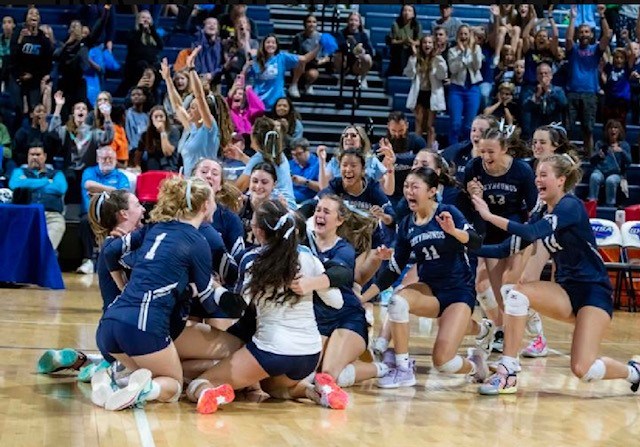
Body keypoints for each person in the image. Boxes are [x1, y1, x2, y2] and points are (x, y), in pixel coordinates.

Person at [471, 153, 640, 395]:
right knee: (516, 294)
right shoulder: (542, 212)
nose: (537, 180)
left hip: (594, 293)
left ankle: (634, 371)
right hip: (566, 291)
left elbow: (532, 232)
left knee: (584, 369)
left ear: (561, 180)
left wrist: (488, 216)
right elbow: (504, 248)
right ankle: (508, 371)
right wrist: (465, 244)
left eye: (543, 175)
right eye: (536, 175)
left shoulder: (570, 206)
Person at [92, 177, 246, 411]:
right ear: (205, 205)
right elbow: (209, 302)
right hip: (145, 326)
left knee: (165, 364)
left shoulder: (154, 227)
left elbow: (111, 252)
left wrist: (124, 286)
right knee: (173, 385)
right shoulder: (198, 240)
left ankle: (116, 378)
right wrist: (239, 304)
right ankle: (144, 389)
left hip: (110, 324)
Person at [185, 199, 349, 414]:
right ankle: (318, 390)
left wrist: (213, 286)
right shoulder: (309, 256)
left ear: (259, 231)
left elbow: (237, 308)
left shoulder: (253, 259)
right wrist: (312, 283)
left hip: (273, 349)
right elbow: (336, 303)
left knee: (198, 384)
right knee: (273, 388)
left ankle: (208, 392)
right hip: (309, 352)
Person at [360, 167, 491, 388]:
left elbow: (476, 242)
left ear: (431, 191)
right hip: (430, 290)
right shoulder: (406, 225)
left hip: (459, 292)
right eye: (406, 186)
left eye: (415, 187)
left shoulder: (447, 212)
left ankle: (477, 364)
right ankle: (403, 369)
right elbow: (392, 269)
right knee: (398, 300)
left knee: (443, 362)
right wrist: (363, 298)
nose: (409, 191)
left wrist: (453, 232)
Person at [36, 189, 145, 380]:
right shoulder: (122, 247)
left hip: (108, 332)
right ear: (123, 214)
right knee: (172, 370)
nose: (143, 209)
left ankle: (84, 361)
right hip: (127, 334)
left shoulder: (114, 243)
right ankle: (103, 372)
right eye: (137, 205)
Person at [302, 194, 390, 388]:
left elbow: (340, 274)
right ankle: (352, 362)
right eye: (318, 210)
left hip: (346, 317)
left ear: (339, 220)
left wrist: (309, 283)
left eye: (326, 212)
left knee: (327, 375)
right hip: (319, 320)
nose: (320, 215)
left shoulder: (344, 249)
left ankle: (382, 368)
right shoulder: (304, 243)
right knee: (306, 373)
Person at [160, 49, 221, 178]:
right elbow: (177, 105)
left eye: (193, 108)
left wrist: (192, 69)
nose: (188, 110)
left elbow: (199, 96)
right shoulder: (190, 128)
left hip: (206, 184)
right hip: (190, 184)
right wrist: (168, 80)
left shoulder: (209, 128)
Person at [566, 5, 611, 156]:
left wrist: (602, 16)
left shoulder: (596, 50)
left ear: (591, 34)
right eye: (581, 32)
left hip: (590, 93)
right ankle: (566, 157)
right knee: (568, 128)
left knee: (588, 129)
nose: (584, 34)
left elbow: (607, 36)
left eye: (587, 31)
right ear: (578, 34)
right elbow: (567, 38)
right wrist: (572, 18)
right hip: (572, 92)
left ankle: (589, 157)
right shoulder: (573, 50)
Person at [77, 146, 130, 274]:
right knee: (84, 222)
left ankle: (117, 262)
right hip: (91, 213)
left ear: (116, 159)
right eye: (104, 158)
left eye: (110, 158)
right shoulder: (89, 171)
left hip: (113, 214)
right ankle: (88, 260)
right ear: (97, 159)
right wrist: (113, 190)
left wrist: (99, 189)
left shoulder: (120, 175)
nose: (107, 161)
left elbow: (124, 193)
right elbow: (88, 185)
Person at [9, 144, 67, 250]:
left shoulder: (56, 173)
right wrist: (45, 181)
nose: (34, 157)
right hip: (25, 215)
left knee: (45, 248)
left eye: (38, 154)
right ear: (27, 156)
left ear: (44, 156)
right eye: (32, 154)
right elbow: (15, 184)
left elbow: (60, 188)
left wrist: (27, 184)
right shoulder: (19, 171)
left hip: (52, 217)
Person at [234, 116, 297, 209]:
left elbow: (237, 189)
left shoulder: (258, 158)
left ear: (255, 137)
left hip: (275, 208)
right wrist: (242, 157)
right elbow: (263, 167)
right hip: (291, 207)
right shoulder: (279, 155)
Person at [191, 158, 245, 259]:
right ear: (192, 178)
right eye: (204, 171)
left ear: (220, 185)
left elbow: (238, 259)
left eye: (215, 174)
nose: (208, 176)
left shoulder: (230, 219)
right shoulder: (178, 211)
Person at [318, 125, 393, 196]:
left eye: (353, 135)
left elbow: (388, 191)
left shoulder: (372, 160)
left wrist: (390, 167)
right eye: (345, 135)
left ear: (361, 142)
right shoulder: (335, 161)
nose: (348, 138)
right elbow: (323, 187)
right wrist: (322, 161)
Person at [404, 34, 448, 148]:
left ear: (433, 45)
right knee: (418, 123)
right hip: (420, 93)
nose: (427, 45)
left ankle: (430, 150)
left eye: (429, 42)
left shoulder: (437, 59)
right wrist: (413, 57)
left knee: (430, 125)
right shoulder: (416, 59)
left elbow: (442, 75)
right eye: (424, 42)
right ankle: (417, 149)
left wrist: (439, 58)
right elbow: (409, 73)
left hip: (432, 94)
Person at [447, 25, 484, 145]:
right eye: (461, 34)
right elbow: (453, 69)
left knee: (469, 124)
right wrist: (462, 53)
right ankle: (453, 148)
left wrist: (470, 51)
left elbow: (477, 66)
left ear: (470, 36)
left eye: (466, 34)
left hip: (472, 89)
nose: (463, 37)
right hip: (456, 89)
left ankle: (466, 148)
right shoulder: (452, 51)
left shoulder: (476, 49)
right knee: (455, 123)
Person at [588, 119, 632, 206]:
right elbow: (592, 161)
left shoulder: (624, 145)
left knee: (610, 180)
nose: (613, 130)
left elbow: (629, 162)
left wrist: (621, 151)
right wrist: (598, 156)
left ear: (619, 131)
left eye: (616, 128)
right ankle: (592, 202)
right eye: (611, 128)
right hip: (600, 171)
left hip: (616, 173)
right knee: (594, 177)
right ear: (607, 131)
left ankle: (610, 205)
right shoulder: (600, 144)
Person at [520, 63, 567, 139]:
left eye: (546, 73)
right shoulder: (530, 90)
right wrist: (537, 95)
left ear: (551, 76)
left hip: (554, 126)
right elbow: (526, 107)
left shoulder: (558, 90)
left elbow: (563, 103)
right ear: (537, 76)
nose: (543, 76)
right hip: (537, 127)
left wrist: (549, 92)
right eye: (540, 74)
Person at [289, 14, 329, 97]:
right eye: (309, 22)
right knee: (301, 61)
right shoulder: (298, 37)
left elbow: (327, 56)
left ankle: (308, 84)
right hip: (299, 65)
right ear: (304, 24)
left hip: (313, 65)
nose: (311, 24)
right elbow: (291, 53)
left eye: (314, 22)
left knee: (313, 74)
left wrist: (320, 61)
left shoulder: (321, 37)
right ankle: (293, 85)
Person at [134, 106, 180, 172]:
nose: (159, 119)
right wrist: (137, 166)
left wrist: (162, 132)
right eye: (156, 117)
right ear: (151, 119)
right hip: (153, 167)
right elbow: (138, 152)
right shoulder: (146, 134)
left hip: (169, 166)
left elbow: (168, 152)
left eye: (161, 116)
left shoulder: (174, 131)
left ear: (166, 118)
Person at [333, 12, 374, 87]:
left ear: (359, 23)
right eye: (351, 20)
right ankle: (341, 77)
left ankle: (363, 78)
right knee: (337, 55)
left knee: (367, 58)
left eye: (356, 20)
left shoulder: (363, 35)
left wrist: (363, 51)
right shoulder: (340, 33)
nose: (353, 23)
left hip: (357, 64)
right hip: (344, 62)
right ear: (347, 21)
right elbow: (337, 47)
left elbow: (371, 52)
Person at [386, 5, 422, 77]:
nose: (407, 13)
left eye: (409, 11)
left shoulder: (417, 25)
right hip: (398, 49)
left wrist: (412, 42)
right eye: (405, 10)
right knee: (401, 51)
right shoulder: (395, 24)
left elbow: (419, 41)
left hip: (412, 49)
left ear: (413, 14)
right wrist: (403, 41)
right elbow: (392, 41)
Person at [289, 137, 320, 204]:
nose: (296, 157)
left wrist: (305, 182)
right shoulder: (290, 164)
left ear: (307, 151)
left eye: (299, 154)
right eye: (293, 154)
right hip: (291, 199)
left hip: (309, 201)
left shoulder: (318, 164)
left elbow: (323, 188)